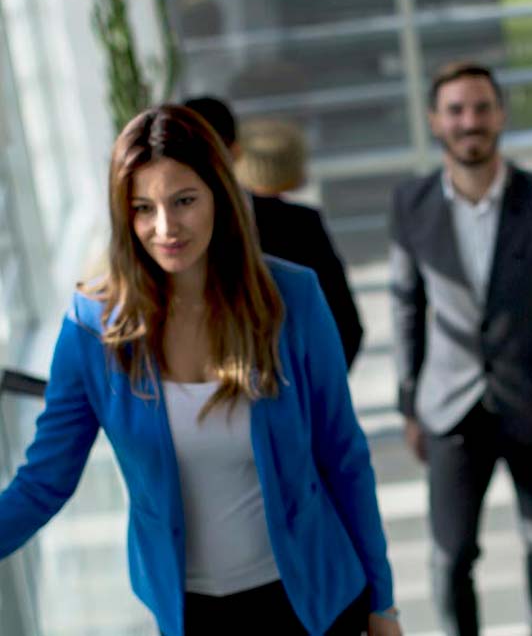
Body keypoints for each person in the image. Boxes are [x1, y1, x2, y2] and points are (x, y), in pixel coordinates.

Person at [0, 105, 401, 635]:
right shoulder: (91, 330)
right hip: (195, 614)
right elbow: (44, 482)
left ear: (219, 195)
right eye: (143, 208)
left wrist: (383, 603)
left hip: (316, 599)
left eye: (183, 201)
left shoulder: (293, 299)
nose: (165, 227)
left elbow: (344, 457)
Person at [388, 62, 532, 636]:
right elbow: (405, 307)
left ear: (501, 114)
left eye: (481, 108)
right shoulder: (411, 205)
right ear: (435, 121)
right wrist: (408, 403)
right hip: (450, 409)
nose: (470, 122)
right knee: (450, 558)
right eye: (455, 110)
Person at [182, 96, 365, 368]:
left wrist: (311, 399)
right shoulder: (166, 238)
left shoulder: (299, 225)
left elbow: (345, 326)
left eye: (206, 153)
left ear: (234, 152)